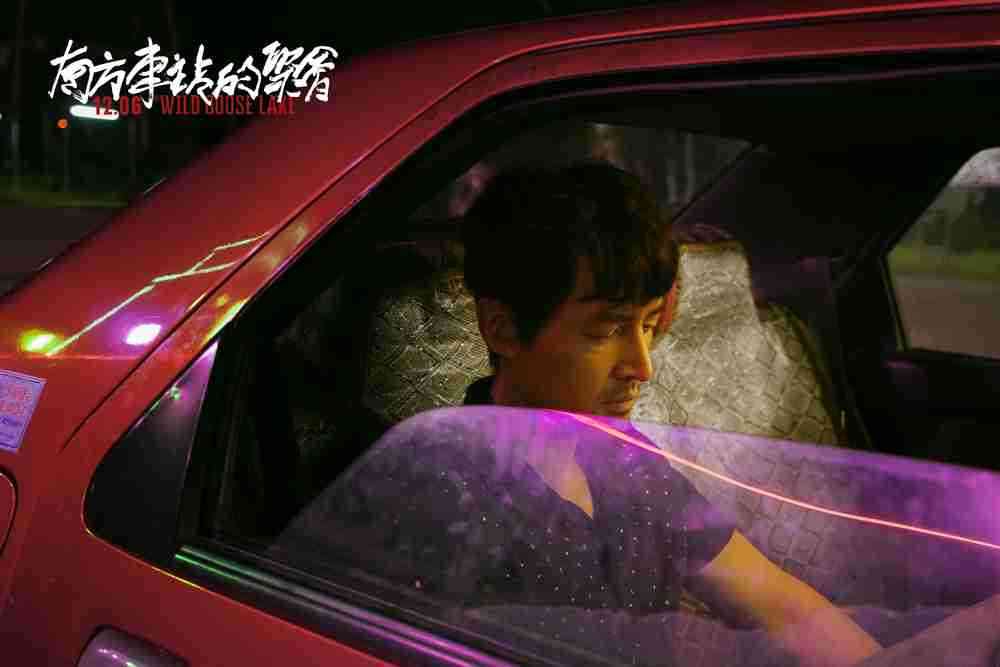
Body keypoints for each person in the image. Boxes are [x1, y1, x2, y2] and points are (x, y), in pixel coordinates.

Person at [457, 163, 883, 666]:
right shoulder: (449, 490)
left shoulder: (625, 459)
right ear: (503, 330)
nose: (642, 367)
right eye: (607, 330)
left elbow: (781, 606)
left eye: (648, 325)